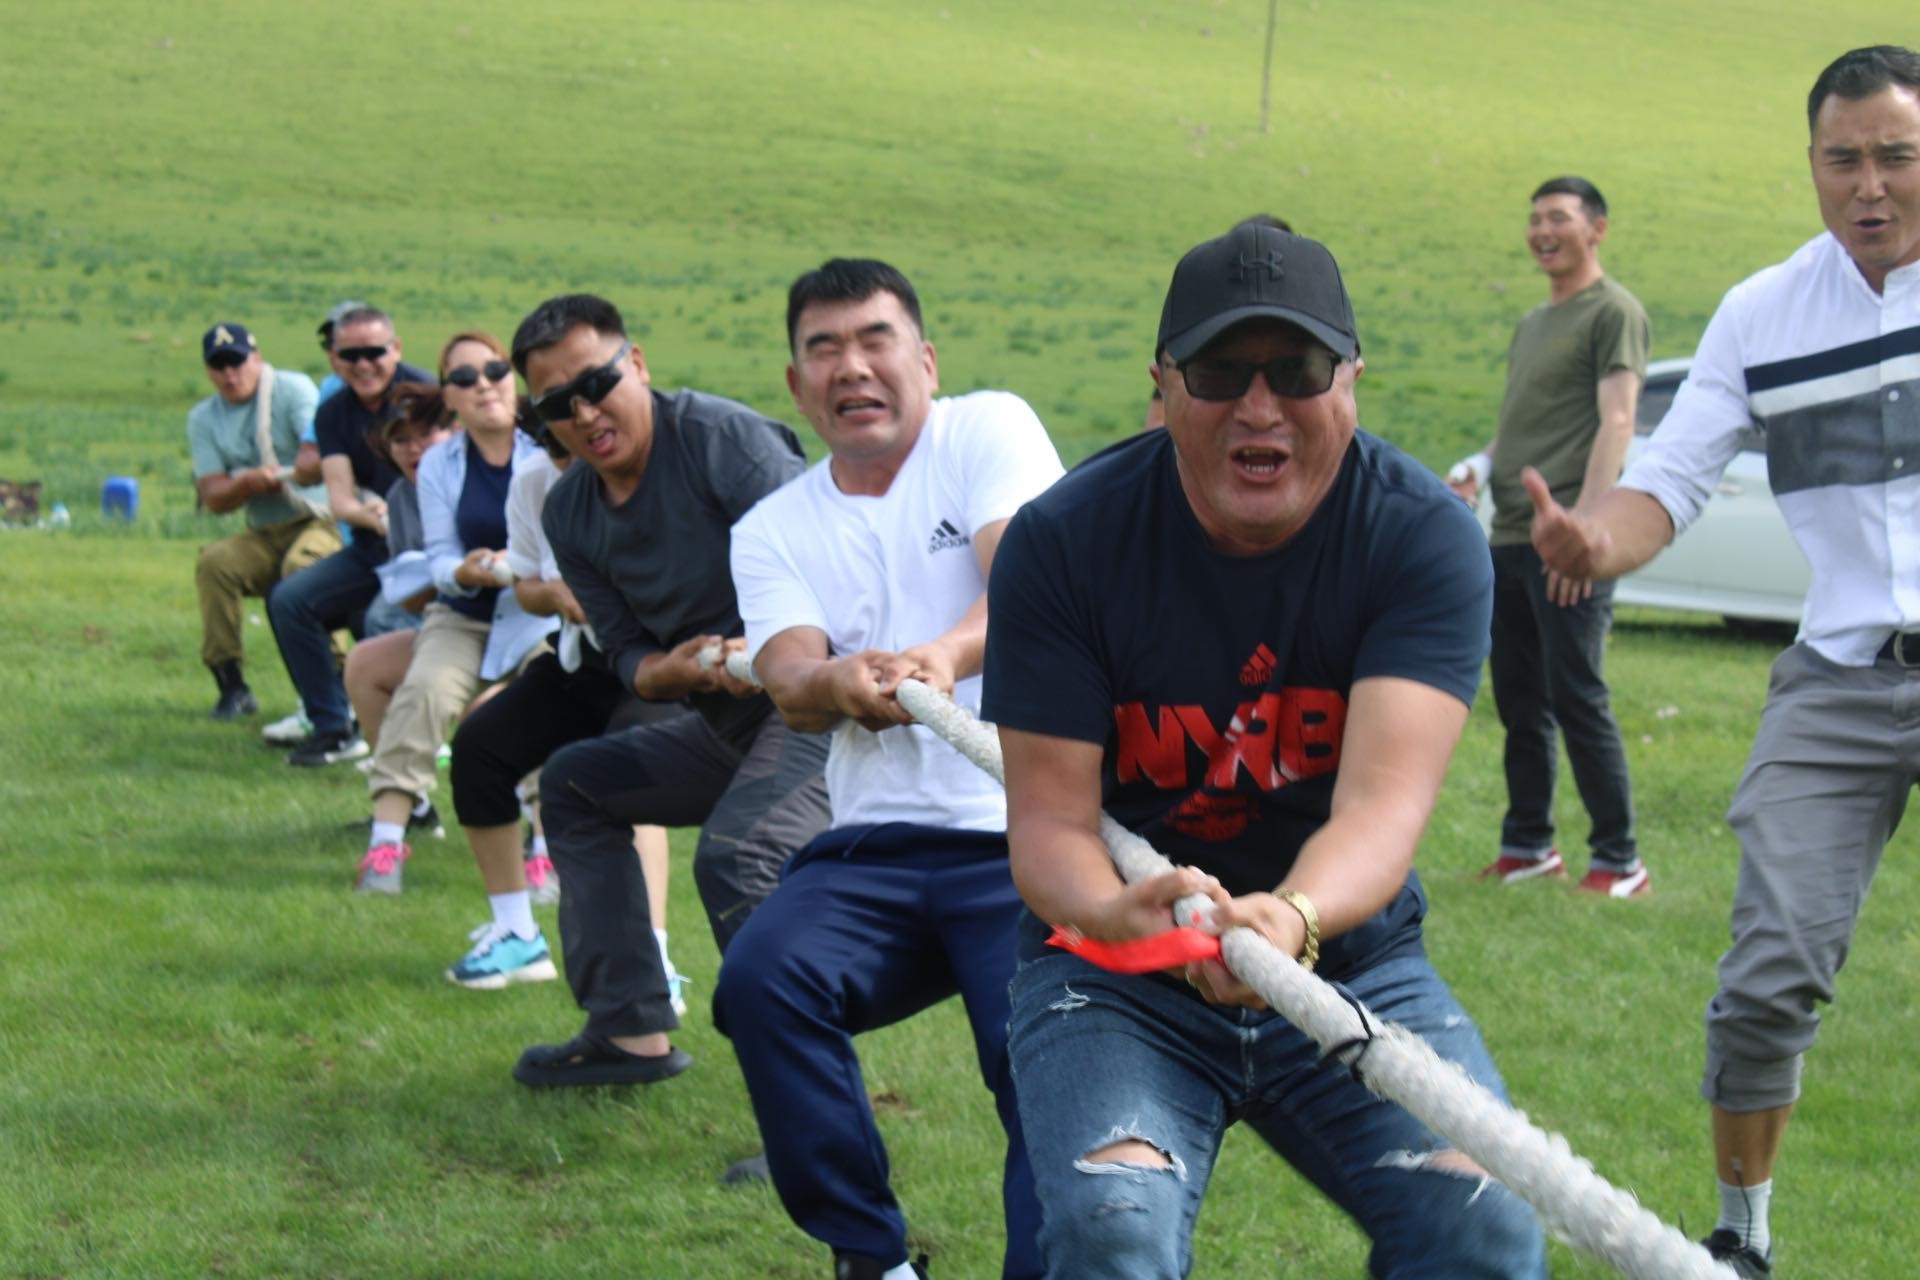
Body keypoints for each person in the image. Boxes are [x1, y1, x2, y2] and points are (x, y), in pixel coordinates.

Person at [980, 222, 1547, 1278]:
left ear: (1352, 379)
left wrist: (1292, 917)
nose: (1259, 406)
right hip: (1117, 972)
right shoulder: (1063, 543)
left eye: (1296, 370)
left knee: (1483, 1228)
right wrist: (1118, 915)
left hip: (1349, 961)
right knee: (1112, 1226)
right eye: (1218, 372)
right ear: (1163, 383)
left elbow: (1380, 808)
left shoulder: (1421, 536)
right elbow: (1051, 828)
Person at [1525, 45, 1920, 1279]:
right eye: (1843, 158)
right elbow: (1672, 478)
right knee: (1764, 977)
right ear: (1811, 163)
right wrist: (1596, 539)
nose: (1869, 183)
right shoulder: (1764, 313)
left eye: (1897, 156)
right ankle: (1743, 1239)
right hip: (1840, 679)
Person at [716, 259, 1064, 1280]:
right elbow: (787, 675)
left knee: (1040, 1055)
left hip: (1023, 835)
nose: (853, 367)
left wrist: (942, 656)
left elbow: (1030, 590)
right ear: (796, 385)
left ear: (926, 359)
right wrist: (834, 677)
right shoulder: (773, 527)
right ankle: (872, 1259)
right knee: (764, 980)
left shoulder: (986, 431)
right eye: (824, 349)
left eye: (876, 340)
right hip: (870, 849)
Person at [506, 293, 830, 1088]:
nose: (584, 414)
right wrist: (676, 670)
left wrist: (769, 643)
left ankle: (807, 1106)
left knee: (739, 855)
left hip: (824, 713)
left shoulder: (723, 442)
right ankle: (629, 1033)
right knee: (575, 784)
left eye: (596, 384)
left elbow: (831, 573)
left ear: (638, 364)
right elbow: (629, 658)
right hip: (728, 727)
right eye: (557, 404)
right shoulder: (569, 512)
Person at [1445, 176, 1651, 898]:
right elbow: (1519, 426)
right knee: (1521, 701)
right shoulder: (1533, 323)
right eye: (1534, 218)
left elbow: (1617, 420)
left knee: (1576, 695)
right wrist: (1477, 467)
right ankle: (1528, 846)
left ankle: (1620, 860)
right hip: (1508, 535)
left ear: (1597, 228)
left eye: (1558, 217)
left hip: (1568, 537)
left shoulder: (1614, 311)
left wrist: (1586, 530)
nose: (1542, 230)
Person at [442, 414, 688, 996]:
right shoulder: (534, 481)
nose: (568, 459)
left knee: (630, 770)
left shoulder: (658, 475)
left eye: (576, 444)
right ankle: (516, 934)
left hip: (660, 663)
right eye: (554, 446)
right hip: (583, 660)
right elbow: (527, 584)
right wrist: (555, 593)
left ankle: (654, 961)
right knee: (479, 747)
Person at [353, 336, 547, 895]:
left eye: (494, 370)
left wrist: (524, 567)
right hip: (464, 612)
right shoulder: (440, 461)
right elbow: (439, 555)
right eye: (464, 378)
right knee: (425, 693)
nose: (483, 384)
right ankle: (386, 846)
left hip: (539, 615)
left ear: (513, 378)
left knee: (545, 707)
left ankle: (546, 851)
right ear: (450, 397)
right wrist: (465, 571)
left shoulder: (546, 449)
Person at [265, 306, 434, 766]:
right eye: (349, 355)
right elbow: (339, 499)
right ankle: (332, 726)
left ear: (395, 349)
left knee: (382, 617)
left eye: (373, 352)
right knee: (289, 600)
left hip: (430, 550)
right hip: (373, 545)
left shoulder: (426, 397)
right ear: (334, 358)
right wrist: (374, 517)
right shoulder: (334, 411)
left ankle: (418, 738)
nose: (362, 364)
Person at [187, 323, 339, 720]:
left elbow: (321, 454)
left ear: (256, 358)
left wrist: (285, 473)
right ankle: (231, 684)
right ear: (208, 371)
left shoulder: (292, 390)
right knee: (215, 563)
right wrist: (249, 483)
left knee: (303, 570)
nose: (230, 374)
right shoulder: (204, 418)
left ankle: (335, 681)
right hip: (266, 531)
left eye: (237, 362)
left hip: (320, 519)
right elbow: (214, 497)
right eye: (219, 366)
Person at [341, 398, 456, 753]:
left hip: (489, 612)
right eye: (401, 440)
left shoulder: (474, 484)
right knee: (377, 628)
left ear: (453, 433)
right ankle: (402, 750)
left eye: (424, 435)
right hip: (436, 607)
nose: (413, 448)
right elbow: (407, 585)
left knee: (382, 616)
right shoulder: (400, 496)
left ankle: (427, 728)